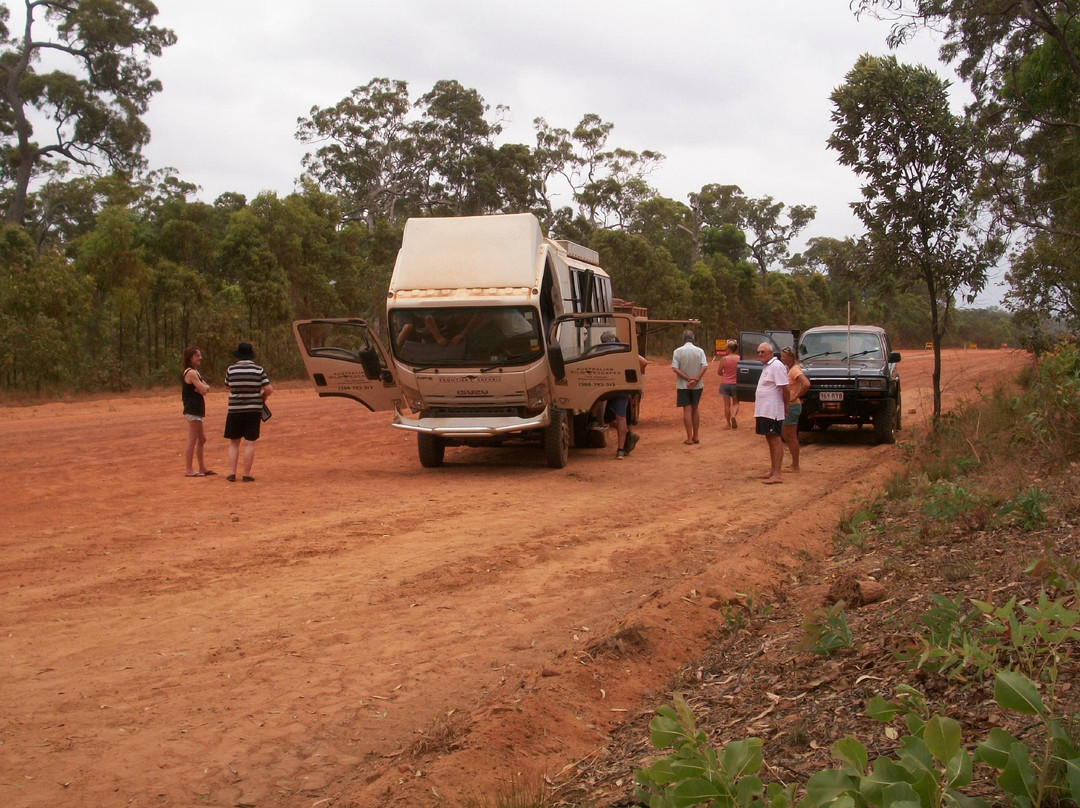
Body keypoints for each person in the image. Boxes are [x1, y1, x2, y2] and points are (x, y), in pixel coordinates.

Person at [223, 341, 273, 482]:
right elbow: (269, 389)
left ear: (238, 355)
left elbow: (227, 387)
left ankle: (232, 473)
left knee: (234, 442)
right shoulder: (258, 370)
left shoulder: (231, 370)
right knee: (249, 442)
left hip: (235, 409)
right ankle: (246, 474)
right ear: (251, 355)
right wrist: (262, 398)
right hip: (253, 409)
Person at [600, 332, 648, 459]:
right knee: (621, 418)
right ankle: (621, 450)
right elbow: (643, 362)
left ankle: (627, 436)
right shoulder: (624, 350)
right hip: (622, 387)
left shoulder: (600, 351)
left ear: (603, 341)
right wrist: (637, 376)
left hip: (604, 388)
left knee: (606, 418)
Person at [754, 341, 789, 485]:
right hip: (764, 410)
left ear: (770, 353)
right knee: (769, 439)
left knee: (775, 439)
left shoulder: (776, 366)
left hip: (772, 410)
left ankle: (778, 474)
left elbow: (785, 388)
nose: (760, 354)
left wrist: (786, 405)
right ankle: (773, 470)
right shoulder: (767, 366)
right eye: (758, 352)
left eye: (763, 352)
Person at [181, 346, 214, 477]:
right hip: (193, 409)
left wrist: (202, 388)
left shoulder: (195, 372)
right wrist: (202, 388)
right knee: (193, 439)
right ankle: (189, 469)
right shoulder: (191, 373)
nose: (200, 357)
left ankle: (202, 467)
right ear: (191, 358)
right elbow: (204, 389)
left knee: (202, 439)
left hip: (197, 409)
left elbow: (206, 388)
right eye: (197, 355)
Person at [671, 329, 708, 445]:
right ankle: (696, 436)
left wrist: (688, 379)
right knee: (695, 409)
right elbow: (705, 366)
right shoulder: (700, 351)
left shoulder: (677, 351)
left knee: (687, 409)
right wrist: (696, 379)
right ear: (693, 338)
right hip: (697, 385)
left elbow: (675, 368)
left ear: (683, 339)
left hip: (683, 385)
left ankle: (689, 438)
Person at [780, 346, 810, 472]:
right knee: (786, 435)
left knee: (791, 436)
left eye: (784, 356)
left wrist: (796, 395)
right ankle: (794, 464)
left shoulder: (795, 370)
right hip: (789, 405)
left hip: (793, 405)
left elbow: (806, 383)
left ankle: (795, 465)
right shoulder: (789, 369)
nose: (781, 358)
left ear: (791, 357)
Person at [716, 339, 741, 429]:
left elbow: (719, 372)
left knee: (726, 405)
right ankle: (733, 415)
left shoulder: (724, 359)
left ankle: (728, 424)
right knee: (736, 402)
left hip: (725, 383)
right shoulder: (739, 358)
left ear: (729, 349)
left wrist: (725, 375)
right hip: (735, 384)